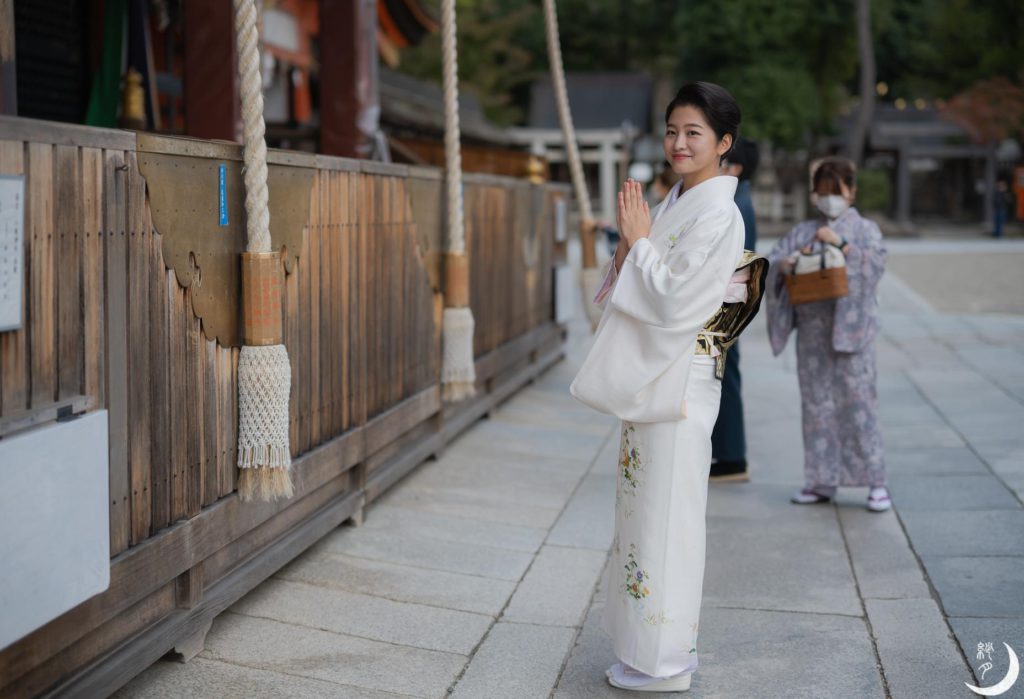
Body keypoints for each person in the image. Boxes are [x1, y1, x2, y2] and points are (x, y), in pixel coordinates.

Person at [571, 82, 764, 692]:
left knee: (668, 519)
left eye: (695, 134)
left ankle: (665, 658)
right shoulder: (682, 202)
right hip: (655, 377)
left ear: (723, 144)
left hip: (678, 383)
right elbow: (639, 277)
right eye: (673, 131)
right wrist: (634, 243)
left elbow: (680, 303)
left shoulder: (719, 214)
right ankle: (643, 646)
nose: (679, 143)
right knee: (643, 513)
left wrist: (642, 240)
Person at [765, 156, 890, 512]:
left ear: (851, 193)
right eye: (822, 192)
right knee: (817, 407)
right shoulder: (803, 231)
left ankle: (876, 481)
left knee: (860, 406)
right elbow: (773, 262)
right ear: (813, 195)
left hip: (854, 335)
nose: (829, 199)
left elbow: (877, 264)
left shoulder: (865, 230)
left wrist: (842, 245)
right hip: (814, 336)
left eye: (836, 192)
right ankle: (821, 481)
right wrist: (785, 265)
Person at [710, 138, 760, 481]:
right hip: (731, 300)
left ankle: (731, 458)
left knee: (723, 376)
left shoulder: (735, 204)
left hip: (725, 302)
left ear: (736, 168)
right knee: (725, 375)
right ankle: (729, 455)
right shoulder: (738, 199)